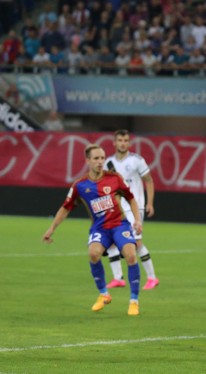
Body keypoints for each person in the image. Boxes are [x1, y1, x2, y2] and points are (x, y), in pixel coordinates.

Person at [41, 144, 142, 316]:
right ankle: (104, 294)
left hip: (119, 224)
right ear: (88, 160)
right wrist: (52, 229)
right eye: (96, 158)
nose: (100, 162)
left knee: (131, 255)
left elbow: (131, 199)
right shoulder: (80, 186)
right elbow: (66, 208)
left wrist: (137, 220)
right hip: (100, 228)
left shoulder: (115, 178)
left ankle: (134, 300)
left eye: (102, 158)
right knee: (93, 254)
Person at [104, 129, 159, 290]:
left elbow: (149, 180)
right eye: (120, 140)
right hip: (117, 208)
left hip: (136, 206)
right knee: (111, 241)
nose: (123, 143)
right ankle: (118, 278)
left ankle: (152, 278)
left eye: (126, 140)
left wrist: (150, 202)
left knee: (136, 242)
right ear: (114, 142)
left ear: (129, 143)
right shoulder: (108, 162)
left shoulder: (136, 160)